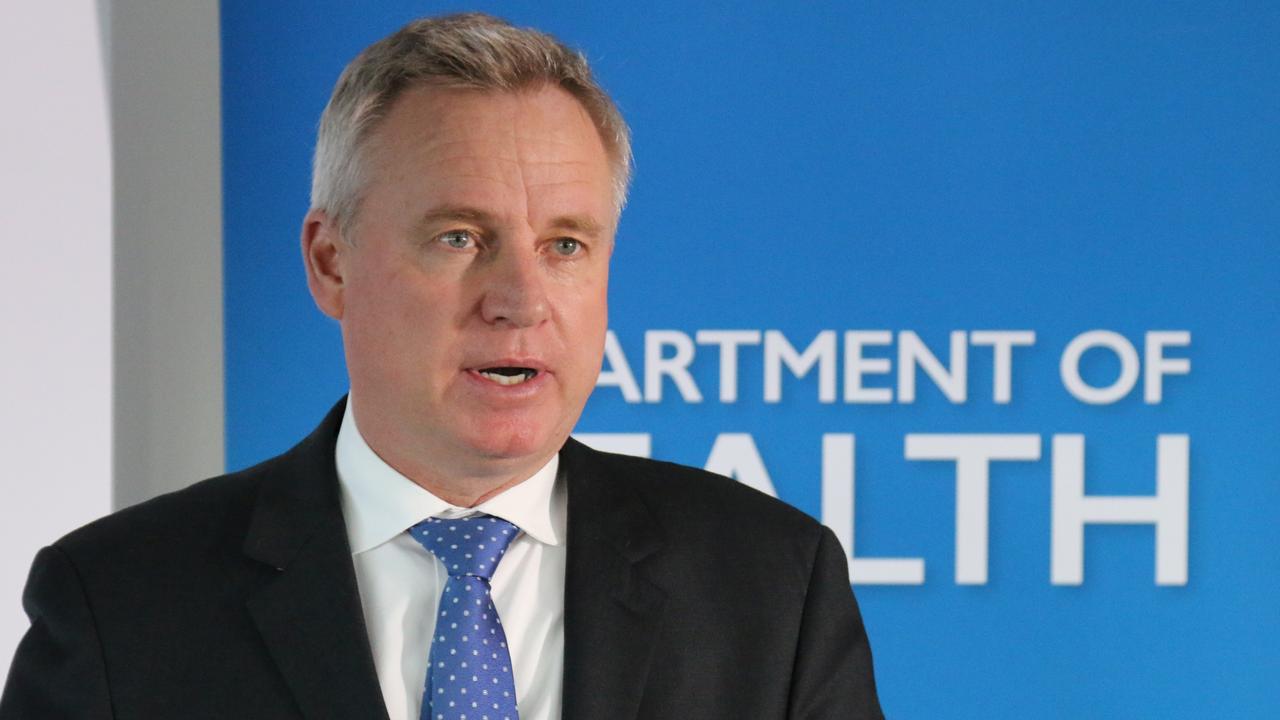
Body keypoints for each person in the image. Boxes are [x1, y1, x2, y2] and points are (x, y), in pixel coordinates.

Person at [0, 13, 882, 720]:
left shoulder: (772, 587)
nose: (520, 298)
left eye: (565, 244)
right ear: (331, 262)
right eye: (461, 237)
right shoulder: (119, 605)